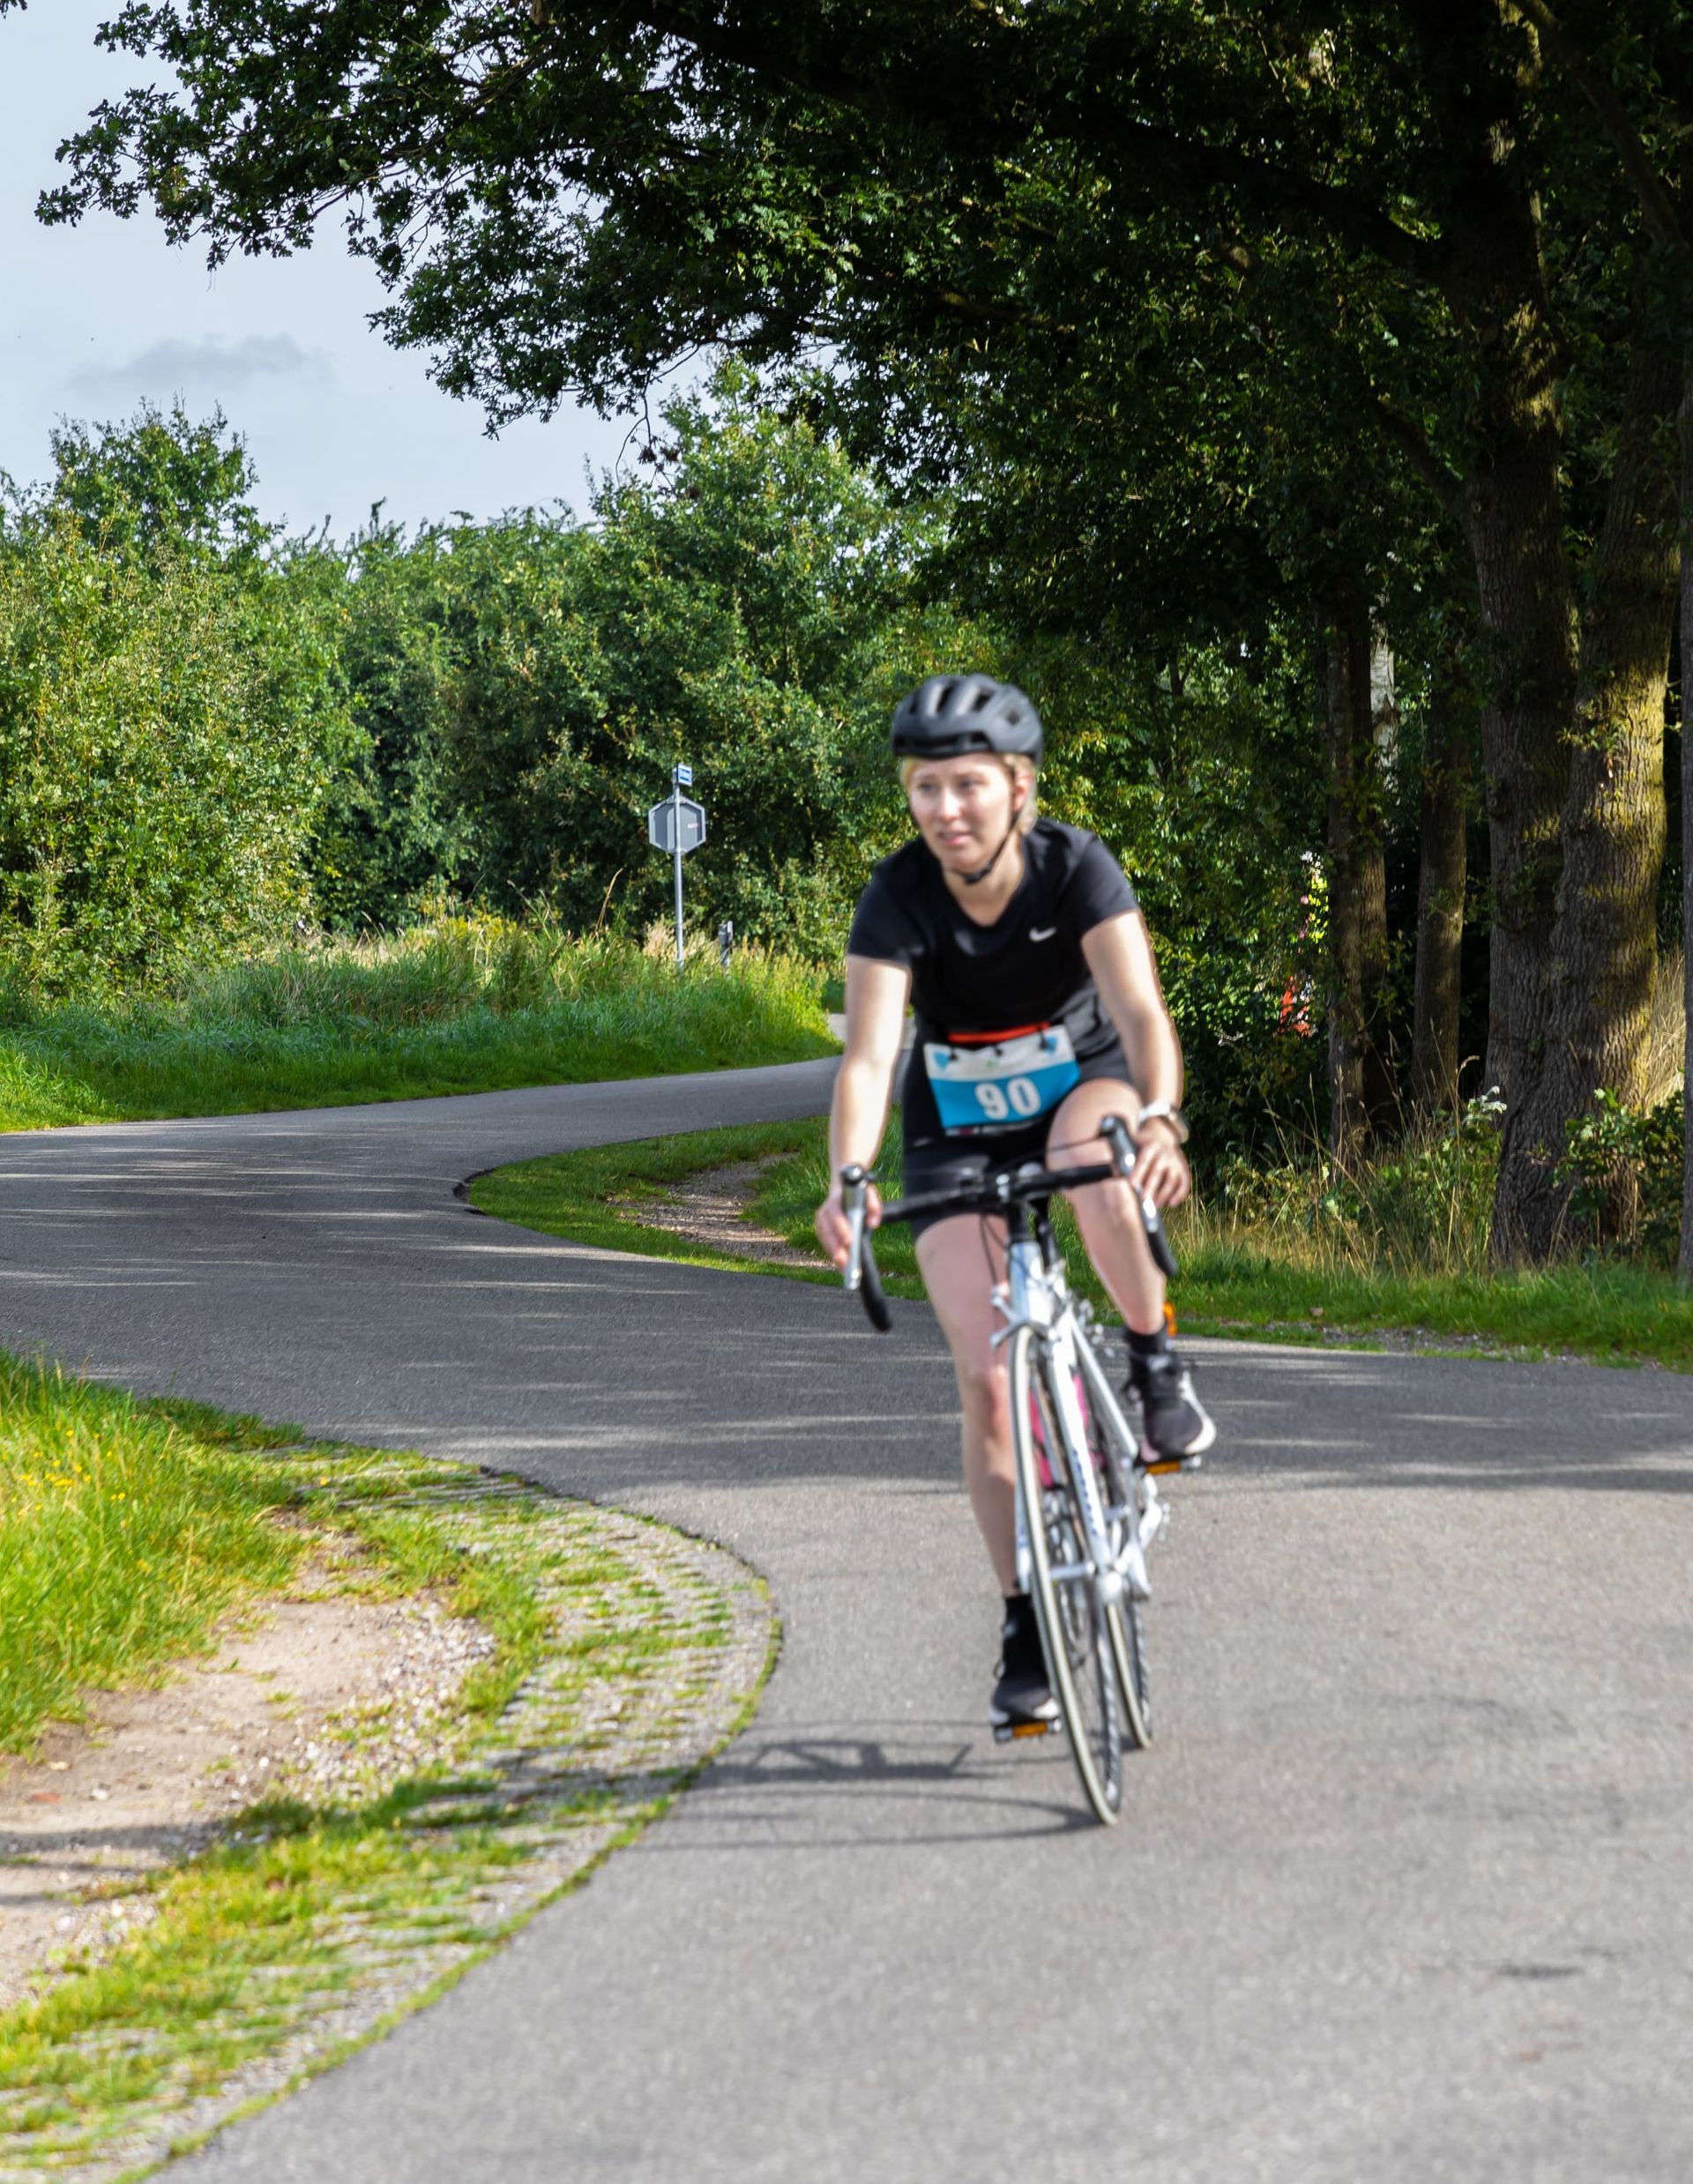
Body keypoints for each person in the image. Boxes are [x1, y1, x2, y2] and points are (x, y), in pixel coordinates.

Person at [814, 673, 1214, 1732]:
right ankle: (1026, 1617)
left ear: (1019, 785)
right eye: (924, 787)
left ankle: (1153, 1359)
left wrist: (1163, 1115)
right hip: (954, 1125)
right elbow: (866, 1060)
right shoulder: (898, 896)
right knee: (986, 1386)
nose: (944, 809)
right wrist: (847, 1180)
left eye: (967, 785)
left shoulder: (1075, 868)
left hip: (1085, 1086)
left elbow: (1138, 1004)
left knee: (1100, 1152)